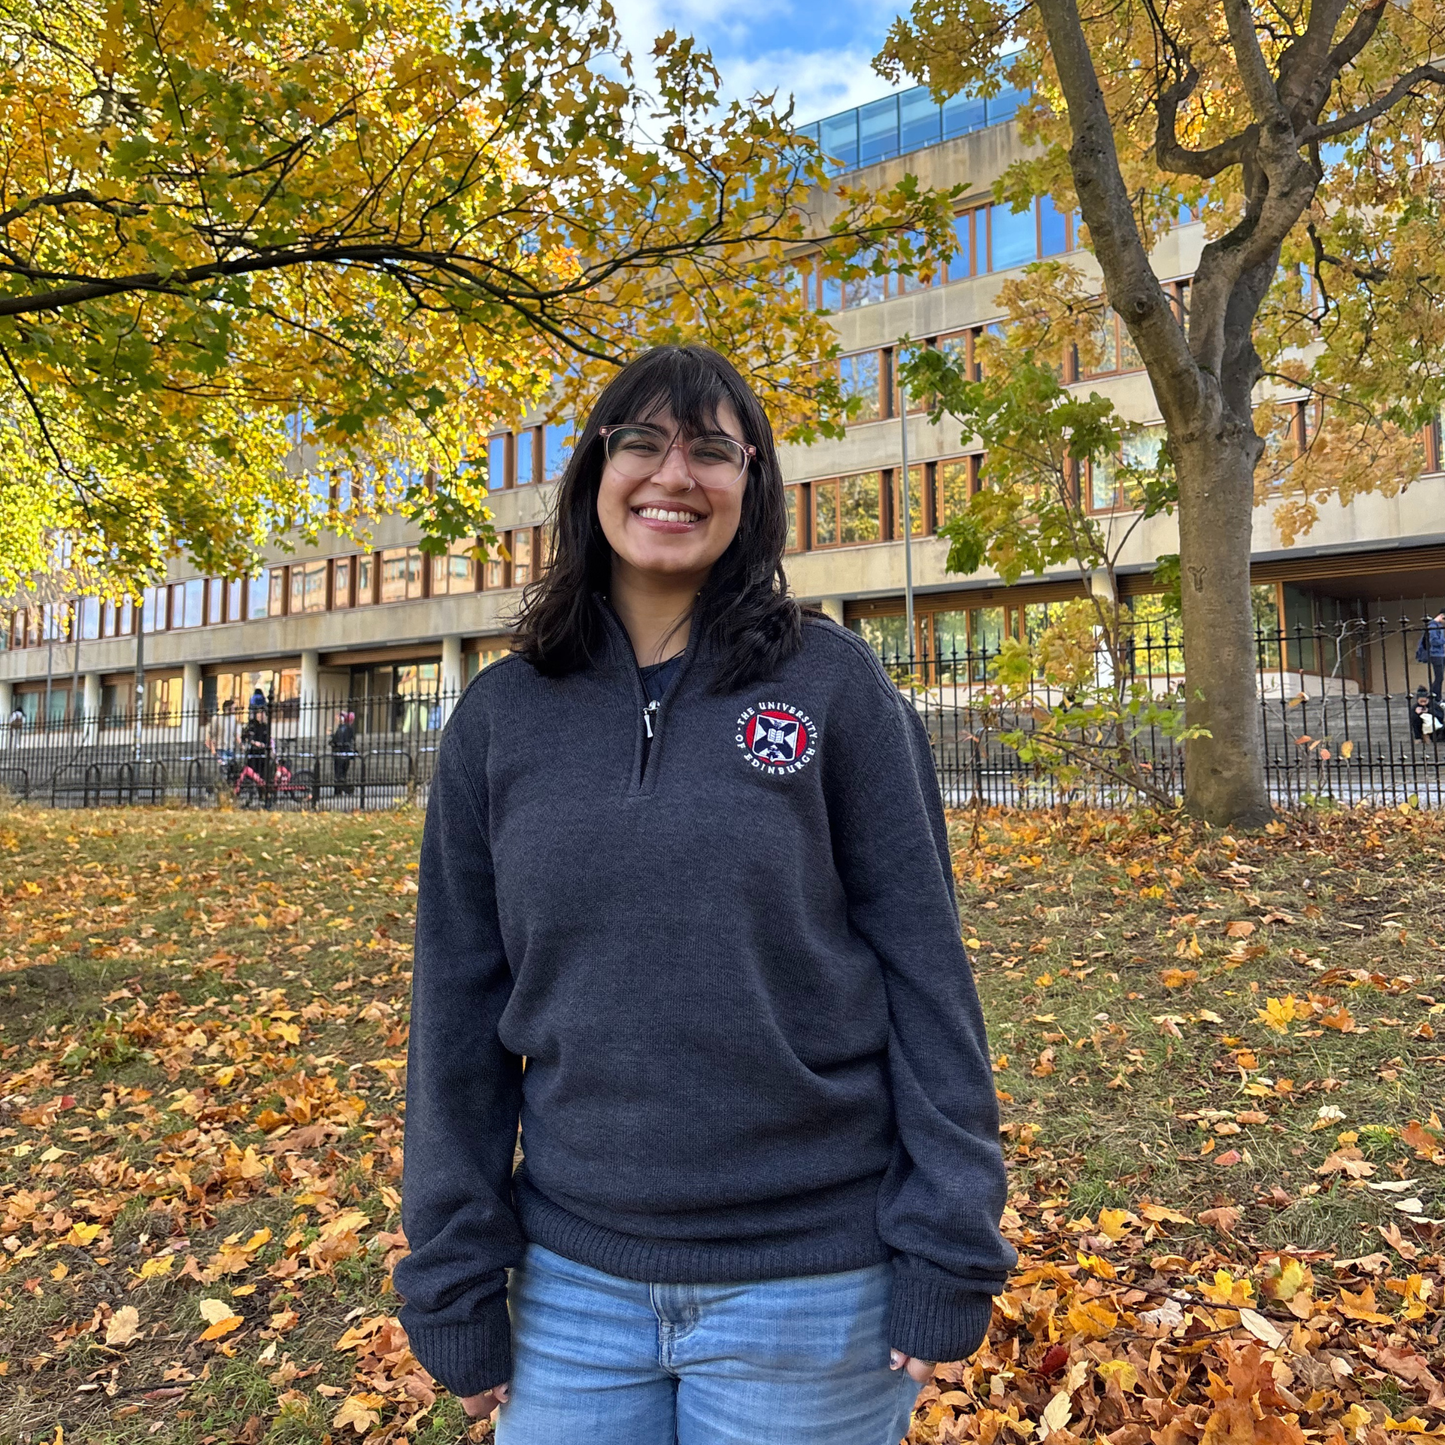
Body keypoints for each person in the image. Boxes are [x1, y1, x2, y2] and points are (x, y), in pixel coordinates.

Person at [396, 345, 1014, 1445]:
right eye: (639, 440)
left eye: (711, 449)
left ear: (752, 485)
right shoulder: (501, 717)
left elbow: (928, 973)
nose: (672, 473)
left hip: (813, 1283)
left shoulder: (831, 687)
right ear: (594, 471)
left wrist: (948, 1233)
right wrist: (451, 1274)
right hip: (571, 1284)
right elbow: (453, 1017)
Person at [1417, 610, 1445, 700]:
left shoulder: (1438, 626)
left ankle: (1436, 696)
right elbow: (1433, 641)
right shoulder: (1433, 626)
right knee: (1439, 677)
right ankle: (1435, 697)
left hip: (1440, 654)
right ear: (1441, 616)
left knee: (1440, 677)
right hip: (1435, 654)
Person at [205, 699, 238, 770]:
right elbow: (211, 734)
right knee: (223, 768)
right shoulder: (217, 719)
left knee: (231, 768)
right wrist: (213, 750)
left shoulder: (233, 719)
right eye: (233, 708)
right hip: (220, 747)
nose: (234, 711)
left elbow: (235, 734)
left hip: (230, 747)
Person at [330, 709, 357, 793]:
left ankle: (344, 790)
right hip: (344, 753)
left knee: (339, 774)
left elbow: (339, 741)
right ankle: (340, 790)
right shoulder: (347, 728)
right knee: (341, 773)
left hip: (341, 753)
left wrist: (333, 741)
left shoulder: (343, 729)